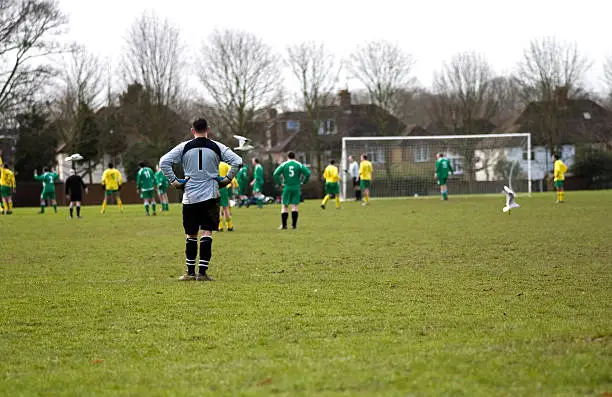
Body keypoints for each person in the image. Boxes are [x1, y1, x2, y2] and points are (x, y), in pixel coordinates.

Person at [159, 118, 242, 281]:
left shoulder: (184, 147)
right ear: (208, 129)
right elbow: (237, 161)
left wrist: (175, 181)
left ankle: (190, 272)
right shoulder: (217, 146)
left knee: (190, 234)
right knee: (207, 232)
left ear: (192, 131)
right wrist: (226, 179)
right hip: (210, 196)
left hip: (190, 196)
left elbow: (164, 162)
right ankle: (202, 273)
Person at [273, 151, 311, 230]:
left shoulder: (284, 164)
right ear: (295, 157)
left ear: (287, 157)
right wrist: (303, 182)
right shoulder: (299, 164)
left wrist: (280, 183)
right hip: (296, 187)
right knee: (295, 206)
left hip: (287, 187)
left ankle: (284, 225)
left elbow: (275, 174)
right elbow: (307, 173)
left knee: (284, 206)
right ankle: (294, 225)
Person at [217, 161, 234, 232]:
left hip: (215, 187)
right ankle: (229, 226)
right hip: (224, 188)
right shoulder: (225, 165)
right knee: (225, 208)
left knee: (217, 208)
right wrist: (231, 183)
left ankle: (220, 227)